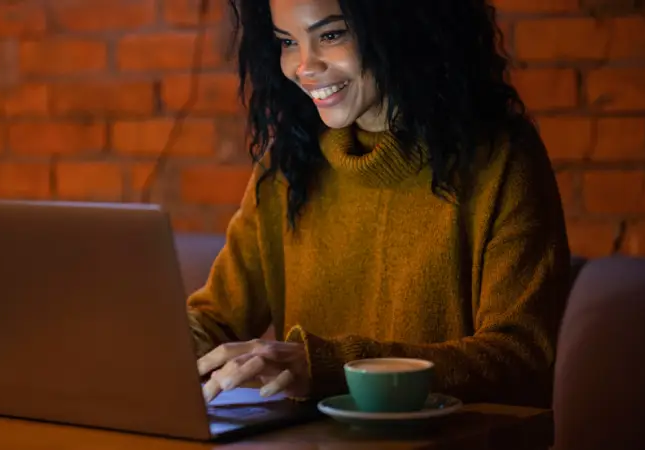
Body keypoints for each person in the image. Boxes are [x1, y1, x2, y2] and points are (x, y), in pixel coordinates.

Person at [187, 0, 571, 408]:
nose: (303, 66)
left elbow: (520, 355)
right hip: (308, 437)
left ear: (400, 27)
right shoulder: (287, 167)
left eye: (331, 35)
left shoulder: (501, 160)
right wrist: (150, 345)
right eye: (287, 42)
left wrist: (331, 368)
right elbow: (216, 319)